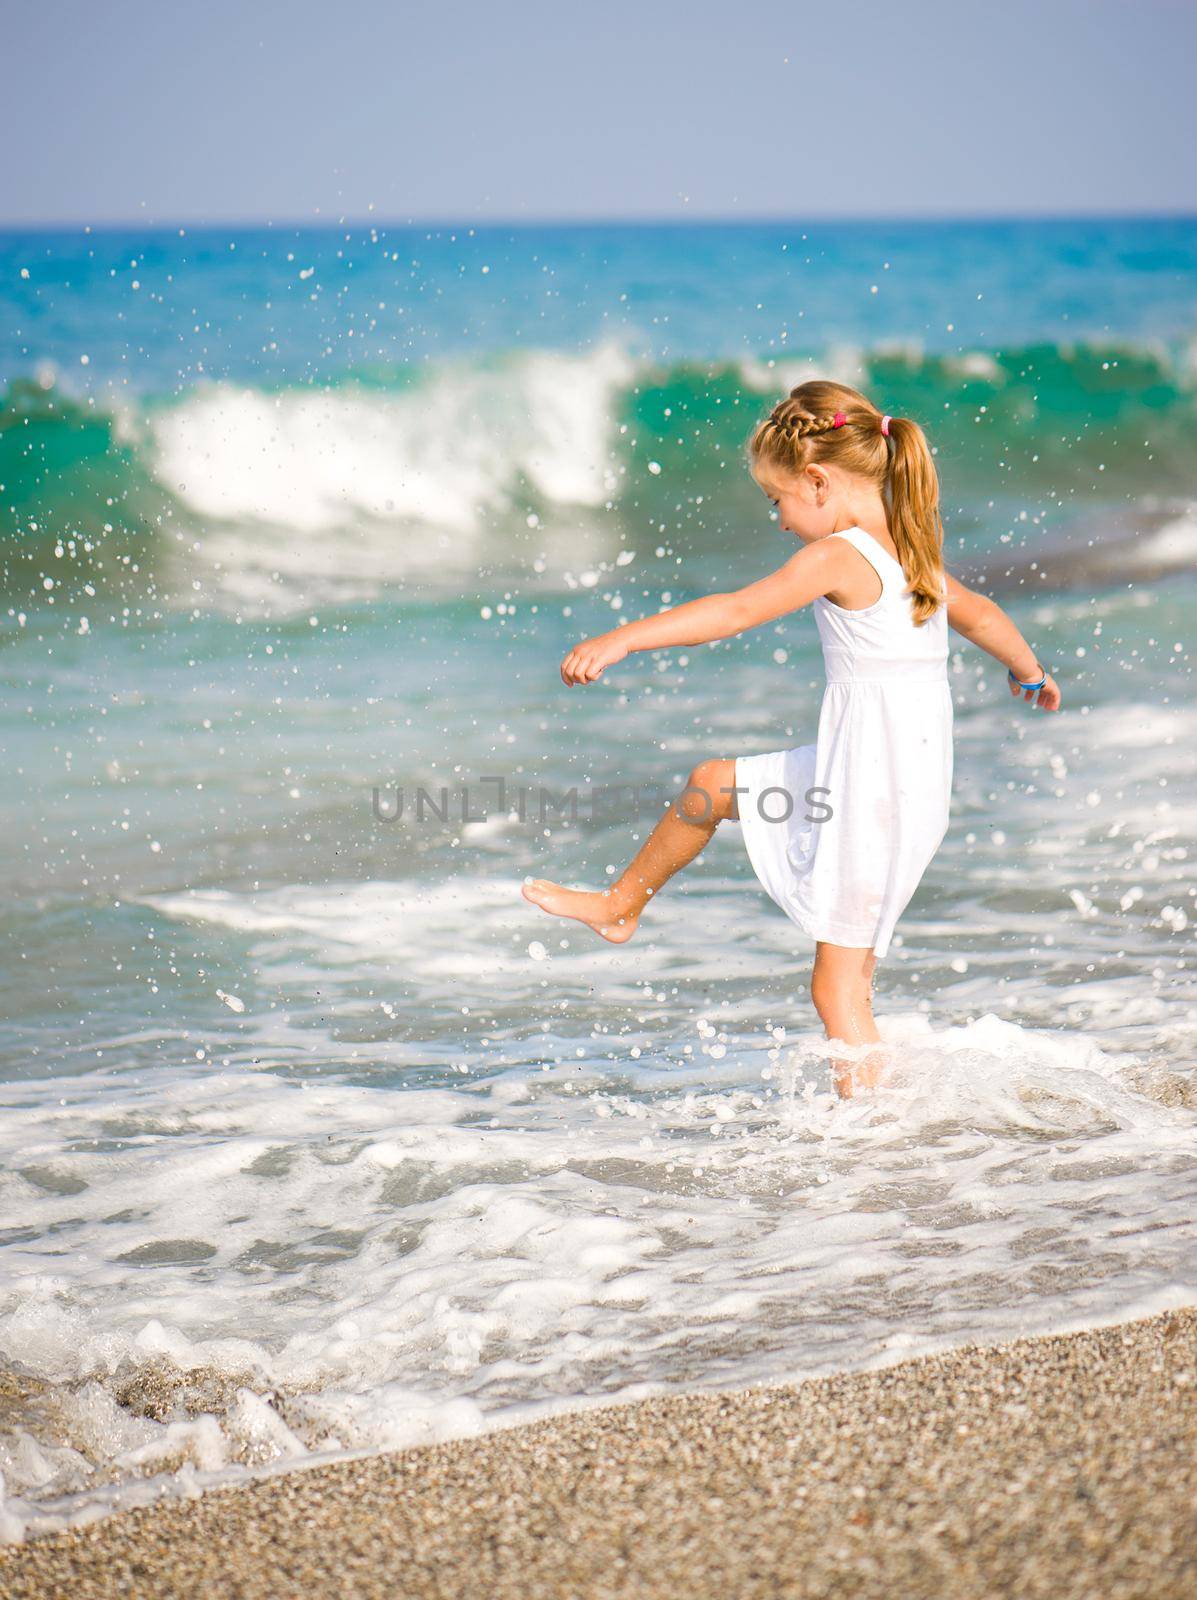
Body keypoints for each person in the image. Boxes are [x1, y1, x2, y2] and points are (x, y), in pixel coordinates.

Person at [521, 380, 1061, 1098]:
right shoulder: (911, 549)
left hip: (869, 795)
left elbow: (737, 609)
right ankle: (621, 906)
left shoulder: (840, 555)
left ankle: (870, 1142)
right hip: (886, 781)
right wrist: (1028, 672)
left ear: (817, 481)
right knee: (711, 785)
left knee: (838, 991)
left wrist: (621, 640)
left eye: (777, 500)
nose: (777, 519)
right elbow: (983, 614)